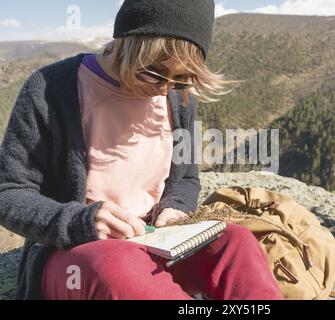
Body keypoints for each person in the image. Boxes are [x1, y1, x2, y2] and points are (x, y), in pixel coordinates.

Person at [0, 0, 284, 300]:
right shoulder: (50, 88)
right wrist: (79, 221)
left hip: (156, 241)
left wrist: (175, 208)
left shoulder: (179, 97)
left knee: (233, 241)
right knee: (116, 265)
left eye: (181, 79)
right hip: (76, 252)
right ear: (127, 43)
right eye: (154, 73)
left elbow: (187, 178)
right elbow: (8, 192)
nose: (164, 89)